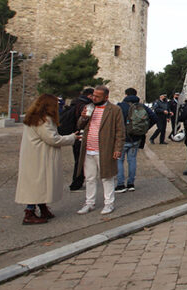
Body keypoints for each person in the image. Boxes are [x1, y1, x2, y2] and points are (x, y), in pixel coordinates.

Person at [15, 94, 80, 225]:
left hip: (34, 156)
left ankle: (42, 207)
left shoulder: (33, 118)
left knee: (39, 184)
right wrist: (72, 137)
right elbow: (53, 139)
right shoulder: (44, 120)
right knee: (38, 184)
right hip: (40, 157)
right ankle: (29, 212)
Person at [74, 85, 124, 215]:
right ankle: (89, 203)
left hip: (104, 149)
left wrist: (118, 148)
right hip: (88, 149)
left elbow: (120, 131)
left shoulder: (114, 110)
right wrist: (83, 117)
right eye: (93, 95)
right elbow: (80, 125)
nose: (93, 98)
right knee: (90, 178)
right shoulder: (89, 108)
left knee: (107, 177)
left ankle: (109, 203)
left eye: (97, 96)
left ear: (106, 97)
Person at [116, 87, 156, 192]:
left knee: (119, 161)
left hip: (123, 138)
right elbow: (154, 117)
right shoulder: (142, 106)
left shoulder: (120, 106)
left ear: (126, 95)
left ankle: (120, 184)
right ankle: (131, 184)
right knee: (132, 160)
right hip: (136, 138)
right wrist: (145, 128)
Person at [62, 87, 94, 191]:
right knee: (82, 161)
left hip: (74, 135)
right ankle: (77, 183)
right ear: (89, 95)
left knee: (78, 160)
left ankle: (77, 182)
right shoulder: (85, 105)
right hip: (81, 135)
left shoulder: (75, 103)